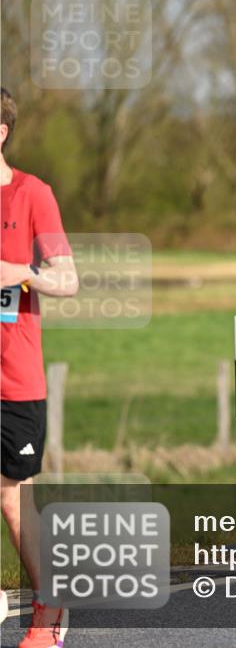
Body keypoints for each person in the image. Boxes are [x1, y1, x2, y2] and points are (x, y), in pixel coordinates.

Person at [1, 87, 79, 648]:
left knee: (12, 497)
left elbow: (68, 279)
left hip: (13, 378)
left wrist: (19, 272)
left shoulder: (33, 195)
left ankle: (50, 610)